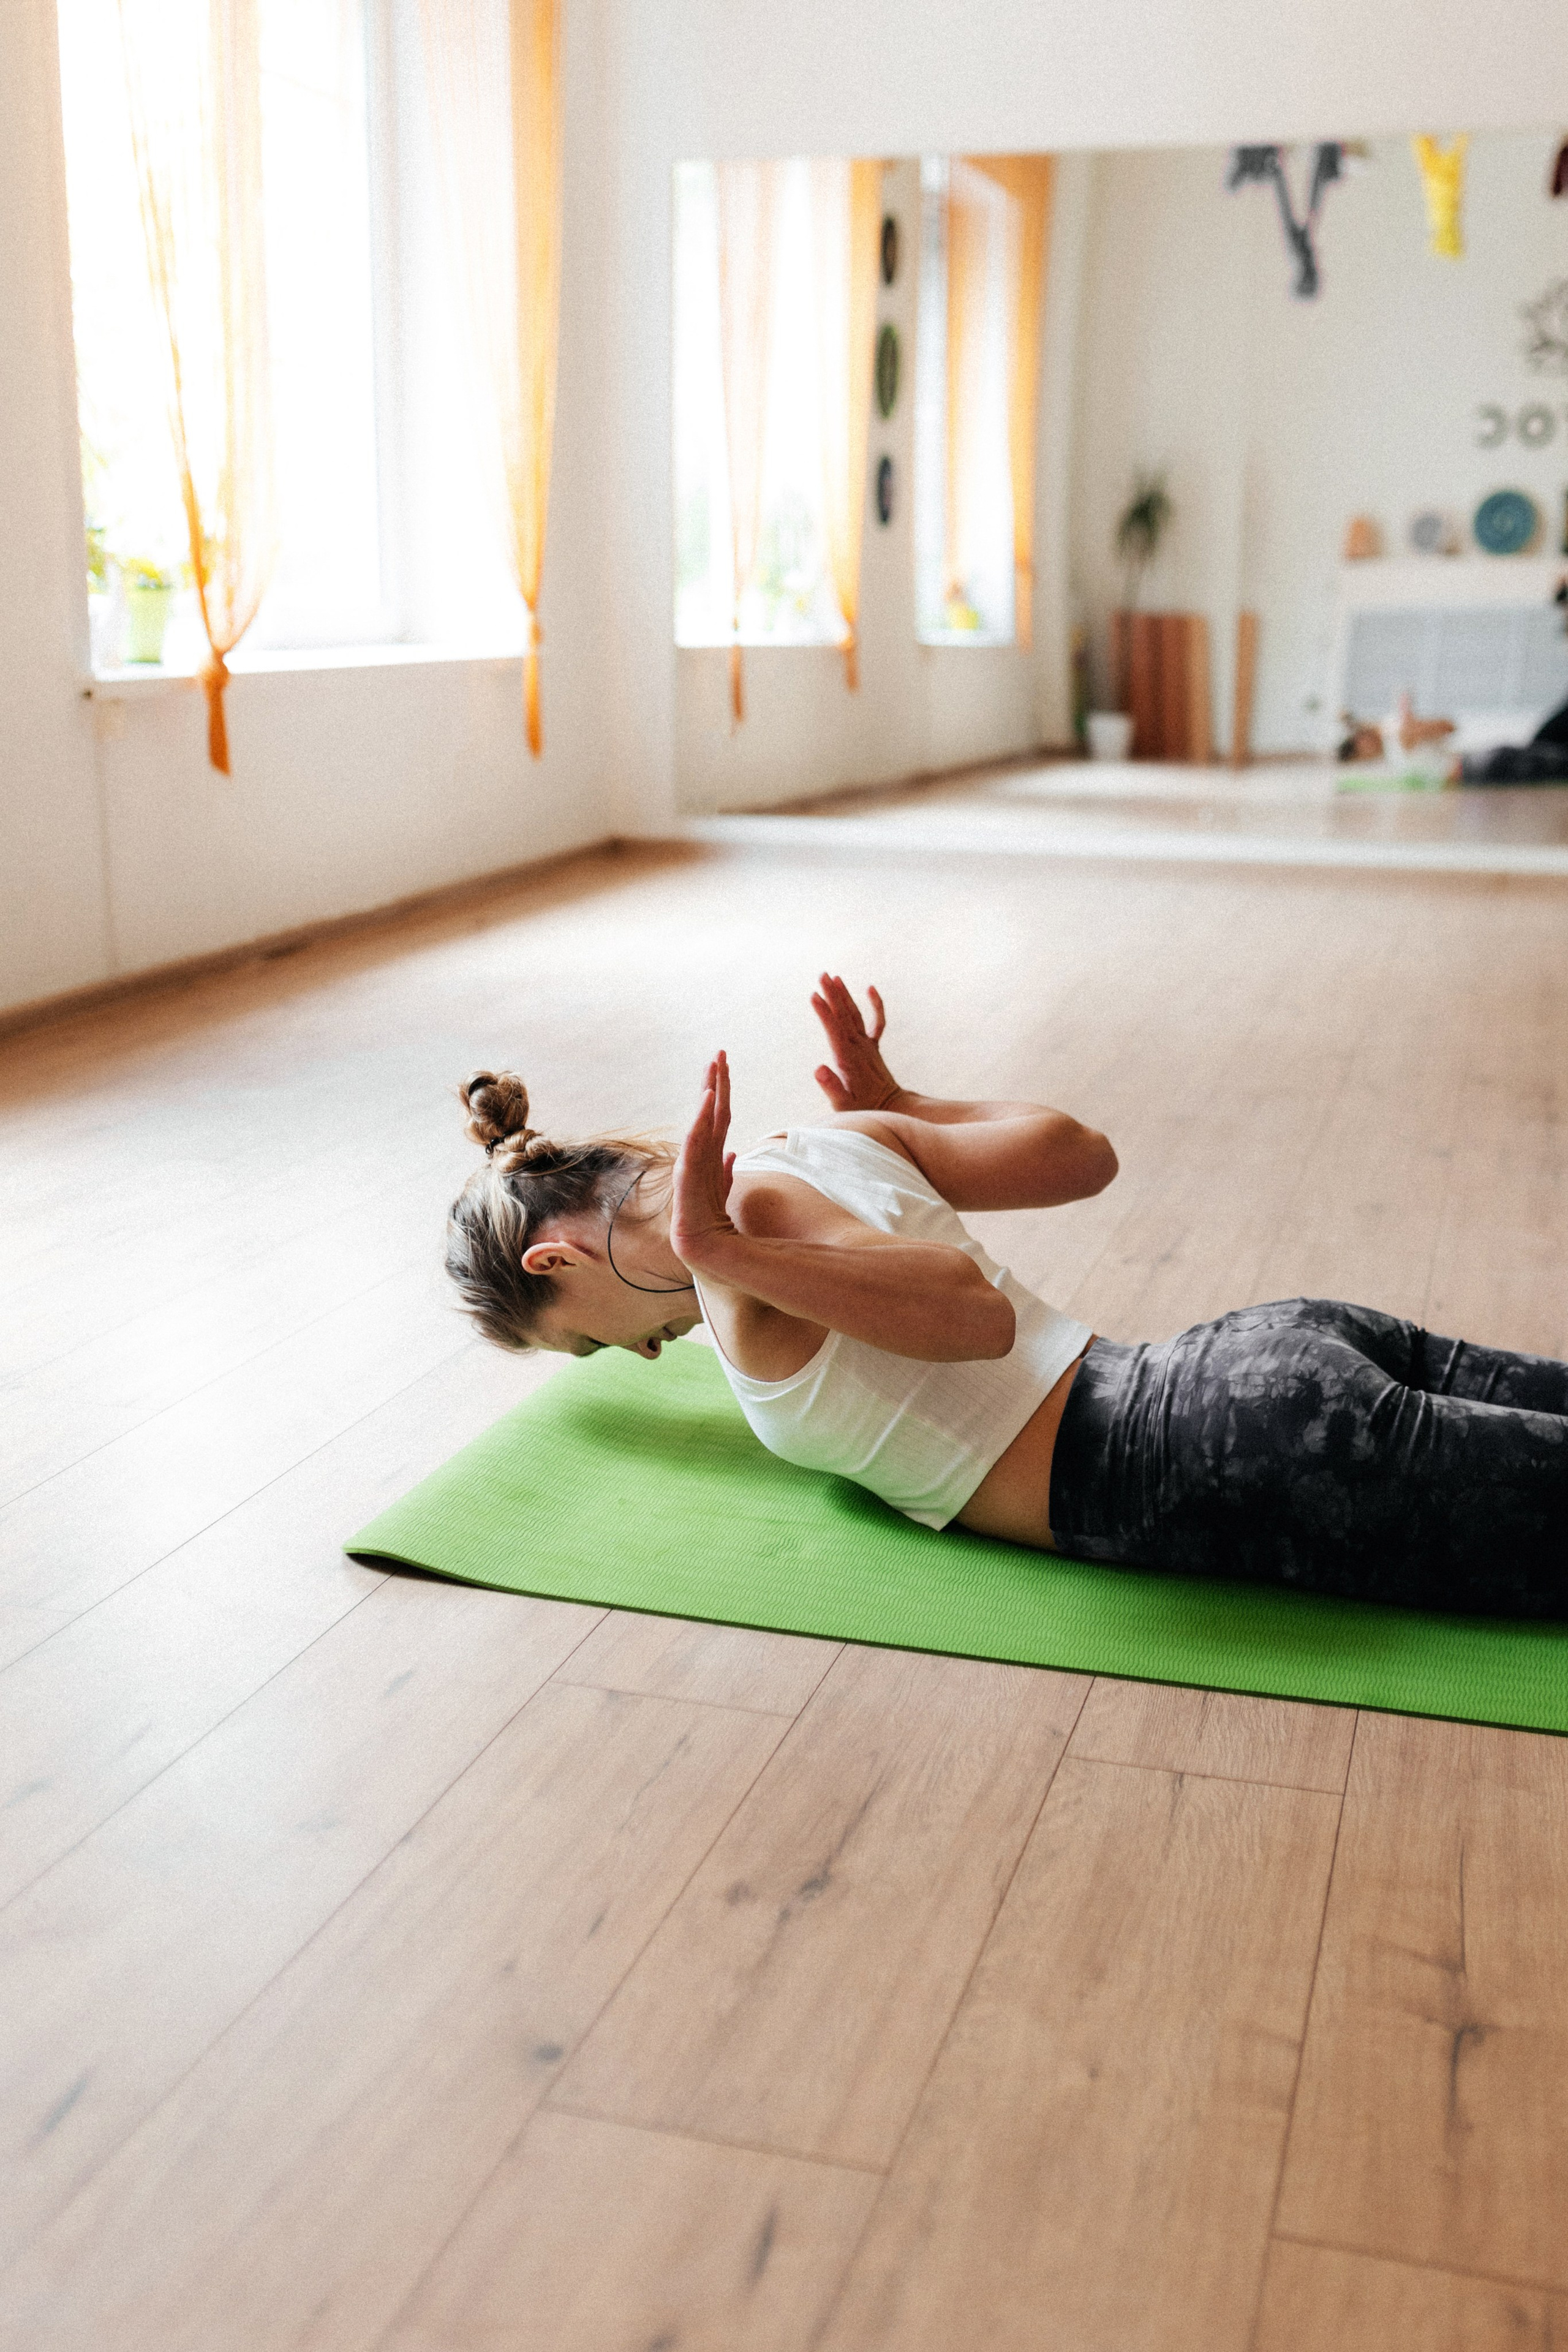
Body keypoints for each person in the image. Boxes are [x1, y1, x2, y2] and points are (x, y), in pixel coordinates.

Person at [447, 976, 1568, 1619]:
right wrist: (902, 1104)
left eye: (591, 1348)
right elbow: (1081, 1155)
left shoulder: (739, 1263)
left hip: (1229, 1454)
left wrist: (718, 1250)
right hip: (1261, 1356)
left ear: (557, 1266)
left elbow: (973, 1320)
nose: (643, 1358)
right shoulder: (812, 1141)